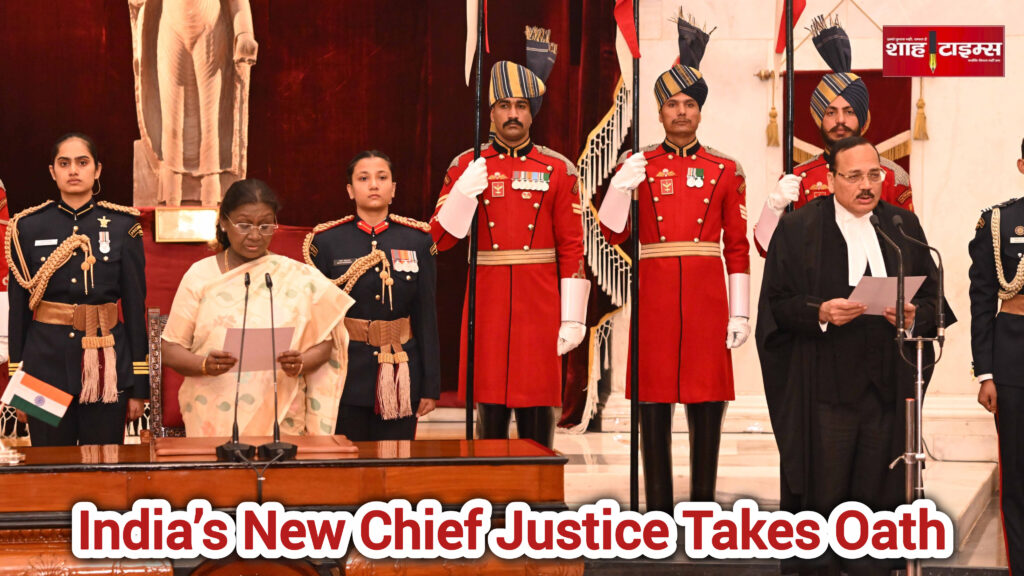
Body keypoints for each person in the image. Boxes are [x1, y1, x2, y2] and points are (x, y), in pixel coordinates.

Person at [757, 136, 953, 576]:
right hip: (824, 395)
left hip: (886, 394)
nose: (866, 185)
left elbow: (936, 304)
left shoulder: (903, 226)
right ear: (829, 180)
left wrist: (911, 316)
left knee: (877, 505)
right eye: (854, 176)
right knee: (823, 504)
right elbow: (777, 305)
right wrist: (821, 312)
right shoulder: (799, 228)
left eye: (874, 175)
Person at [596, 11, 750, 511]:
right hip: (657, 295)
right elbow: (611, 231)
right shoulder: (638, 164)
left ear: (700, 112)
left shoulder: (725, 169)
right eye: (671, 105)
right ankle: (657, 510)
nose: (680, 112)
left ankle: (702, 507)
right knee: (653, 404)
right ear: (659, 112)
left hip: (707, 297)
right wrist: (620, 187)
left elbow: (738, 246)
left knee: (708, 405)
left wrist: (740, 309)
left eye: (689, 104)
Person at [429, 60, 590, 449]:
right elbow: (439, 241)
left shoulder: (558, 169)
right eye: (504, 105)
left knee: (538, 402)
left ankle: (539, 497)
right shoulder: (465, 165)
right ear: (491, 112)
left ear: (532, 113)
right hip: (489, 298)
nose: (513, 114)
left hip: (541, 302)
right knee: (489, 409)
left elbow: (572, 247)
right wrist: (463, 196)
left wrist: (574, 317)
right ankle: (490, 494)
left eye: (521, 105)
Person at [161, 179, 353, 437]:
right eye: (243, 225)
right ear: (224, 222)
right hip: (213, 416)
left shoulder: (296, 276)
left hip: (282, 416)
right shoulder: (200, 276)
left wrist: (301, 362)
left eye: (265, 225)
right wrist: (204, 364)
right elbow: (171, 347)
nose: (254, 235)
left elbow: (326, 342)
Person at [5, 133, 148, 446]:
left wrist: (139, 387)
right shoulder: (26, 228)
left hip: (105, 363)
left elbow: (135, 310)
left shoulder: (124, 227)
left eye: (82, 163)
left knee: (104, 460)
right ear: (52, 171)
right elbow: (19, 313)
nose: (73, 170)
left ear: (97, 170)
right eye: (64, 163)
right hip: (42, 368)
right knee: (49, 463)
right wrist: (18, 382)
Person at [304, 150, 439, 441]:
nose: (373, 185)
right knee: (348, 463)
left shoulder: (417, 240)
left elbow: (426, 316)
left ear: (393, 189)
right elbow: (316, 319)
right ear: (351, 190)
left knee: (396, 462)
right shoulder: (326, 242)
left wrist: (430, 385)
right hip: (346, 372)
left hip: (401, 370)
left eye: (382, 178)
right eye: (363, 179)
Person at [753, 15, 914, 255]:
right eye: (831, 112)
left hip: (877, 287)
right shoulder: (797, 178)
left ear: (863, 117)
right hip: (816, 290)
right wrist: (773, 206)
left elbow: (910, 246)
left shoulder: (892, 175)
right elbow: (766, 249)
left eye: (849, 111)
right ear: (820, 118)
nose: (840, 120)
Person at [130, 0, 259, 205]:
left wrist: (244, 32)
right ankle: (170, 194)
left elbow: (238, 2)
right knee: (170, 111)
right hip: (171, 27)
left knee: (211, 112)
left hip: (210, 27)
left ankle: (212, 194)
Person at [970, 138, 1024, 576]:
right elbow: (983, 298)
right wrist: (985, 372)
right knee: (1019, 477)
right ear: (1023, 165)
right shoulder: (998, 222)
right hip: (1014, 358)